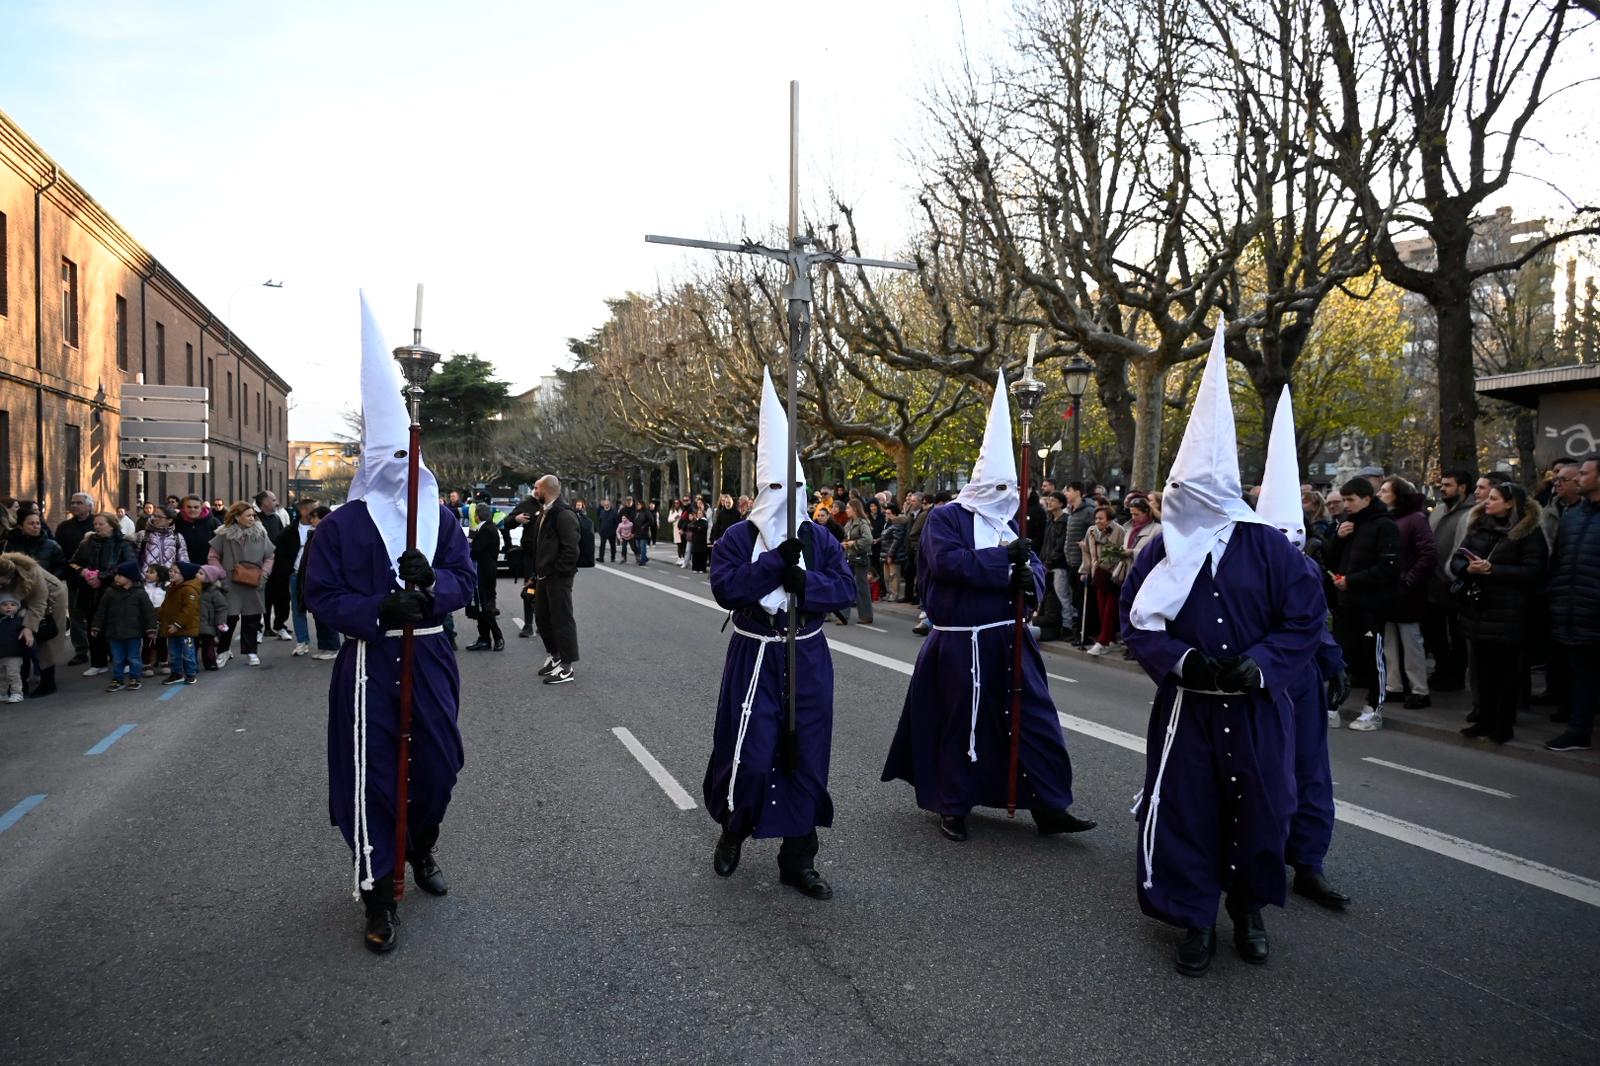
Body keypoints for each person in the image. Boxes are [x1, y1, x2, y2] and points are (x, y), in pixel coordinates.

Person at [1120, 330, 1324, 977]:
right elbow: (1137, 620)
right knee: (1188, 810)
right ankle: (1193, 916)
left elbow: (1305, 617)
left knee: (1262, 807)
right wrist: (1182, 662)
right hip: (1190, 710)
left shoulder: (1269, 550)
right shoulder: (1159, 550)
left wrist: (1260, 662)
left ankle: (1249, 908)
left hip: (1257, 708)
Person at [303, 297, 476, 954]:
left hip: (430, 658)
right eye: (391, 459)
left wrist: (431, 592)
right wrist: (378, 610)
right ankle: (378, 892)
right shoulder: (343, 526)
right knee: (371, 773)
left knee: (438, 767)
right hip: (371, 663)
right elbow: (319, 593)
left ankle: (422, 847)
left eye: (411, 460)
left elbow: (465, 579)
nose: (403, 472)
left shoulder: (441, 520)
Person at [882, 373, 1096, 844]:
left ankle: (1049, 803)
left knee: (1035, 720)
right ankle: (953, 804)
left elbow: (1035, 564)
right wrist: (1006, 565)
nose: (1004, 494)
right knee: (963, 721)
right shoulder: (946, 518)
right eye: (996, 485)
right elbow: (949, 563)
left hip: (1010, 639)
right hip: (961, 642)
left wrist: (1029, 579)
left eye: (1010, 487)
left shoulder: (1009, 523)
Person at [704, 371, 855, 900]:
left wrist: (804, 581)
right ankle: (734, 829)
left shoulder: (820, 537)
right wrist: (772, 565)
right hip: (755, 654)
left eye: (791, 490)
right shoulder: (736, 537)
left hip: (807, 656)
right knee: (751, 751)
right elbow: (725, 587)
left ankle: (799, 858)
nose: (783, 499)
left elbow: (845, 589)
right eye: (774, 490)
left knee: (805, 755)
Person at [1254, 389, 1350, 910]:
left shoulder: (1309, 567)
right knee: (1263, 776)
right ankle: (1255, 860)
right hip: (1262, 684)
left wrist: (1333, 662)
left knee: (1311, 774)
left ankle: (1309, 862)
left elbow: (1316, 623)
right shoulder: (1241, 567)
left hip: (1304, 685)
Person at [1448, 481, 1548, 744]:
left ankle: (1503, 725)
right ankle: (1484, 720)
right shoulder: (1479, 526)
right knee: (1483, 672)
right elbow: (1457, 558)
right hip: (1478, 609)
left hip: (1509, 613)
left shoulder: (1528, 533)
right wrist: (1468, 569)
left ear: (1510, 503)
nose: (1487, 502)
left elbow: (1534, 570)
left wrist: (1493, 570)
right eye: (1488, 497)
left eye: (1493, 498)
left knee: (1506, 674)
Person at [1324, 478, 1399, 731]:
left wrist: (1352, 581)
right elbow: (1331, 559)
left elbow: (1388, 567)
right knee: (1340, 654)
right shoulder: (1347, 525)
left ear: (1367, 499)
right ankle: (1332, 705)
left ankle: (1373, 707)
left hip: (1371, 604)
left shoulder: (1385, 526)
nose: (1346, 505)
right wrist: (1338, 538)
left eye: (1350, 500)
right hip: (1345, 603)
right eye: (1344, 500)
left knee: (1371, 657)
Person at [1545, 455, 1599, 752]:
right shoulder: (1572, 517)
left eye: (1585, 474)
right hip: (1573, 609)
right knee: (1581, 675)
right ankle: (1578, 730)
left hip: (1592, 607)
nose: (1579, 479)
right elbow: (1560, 561)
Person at [1378, 476, 1437, 709]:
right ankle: (1394, 686)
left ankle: (1419, 689)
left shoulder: (1415, 519)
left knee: (1411, 640)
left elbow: (1428, 554)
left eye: (1385, 490)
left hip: (1407, 591)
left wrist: (1409, 581)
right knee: (1389, 640)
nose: (1380, 494)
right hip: (1390, 589)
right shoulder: (1389, 518)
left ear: (1397, 495)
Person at [203, 502, 274, 668]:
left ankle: (251, 651)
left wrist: (264, 574)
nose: (252, 518)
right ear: (236, 517)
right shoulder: (224, 535)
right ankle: (223, 650)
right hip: (230, 583)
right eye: (248, 515)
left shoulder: (260, 533)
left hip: (254, 582)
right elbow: (212, 556)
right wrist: (221, 575)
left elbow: (270, 556)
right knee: (228, 619)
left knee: (252, 618)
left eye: (253, 515)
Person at [1424, 469, 1475, 693]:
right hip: (1433, 584)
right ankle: (1441, 670)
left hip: (1455, 584)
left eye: (1448, 485)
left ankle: (1455, 675)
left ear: (1462, 487)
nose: (1442, 488)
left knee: (1457, 634)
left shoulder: (1472, 512)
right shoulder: (1438, 510)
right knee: (1435, 633)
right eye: (1442, 485)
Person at [69, 513, 136, 676]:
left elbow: (129, 564)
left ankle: (124, 660)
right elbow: (72, 562)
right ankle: (98, 662)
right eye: (95, 524)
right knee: (94, 626)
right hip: (90, 591)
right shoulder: (87, 542)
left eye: (101, 524)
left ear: (112, 525)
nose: (97, 527)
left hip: (114, 590)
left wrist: (102, 576)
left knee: (117, 627)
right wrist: (83, 572)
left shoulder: (123, 543)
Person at [529, 475, 580, 684]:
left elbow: (571, 549)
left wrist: (558, 571)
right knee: (542, 618)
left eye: (536, 488)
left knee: (562, 620)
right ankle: (555, 656)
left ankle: (567, 667)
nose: (534, 491)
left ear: (545, 489)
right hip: (544, 575)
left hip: (558, 577)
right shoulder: (546, 511)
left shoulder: (563, 514)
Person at [0, 552, 71, 698]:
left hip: (51, 599)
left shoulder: (30, 570)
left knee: (45, 640)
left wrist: (29, 627)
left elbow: (38, 602)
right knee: (15, 636)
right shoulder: (5, 577)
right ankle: (20, 683)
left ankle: (48, 682)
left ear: (9, 575)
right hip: (21, 600)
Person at [91, 561, 157, 692]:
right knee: (117, 658)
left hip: (133, 633)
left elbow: (148, 612)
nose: (116, 578)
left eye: (119, 575)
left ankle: (134, 678)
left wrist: (151, 628)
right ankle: (118, 679)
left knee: (133, 657)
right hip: (114, 632)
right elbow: (101, 611)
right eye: (116, 575)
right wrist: (96, 626)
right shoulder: (110, 592)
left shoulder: (140, 593)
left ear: (130, 578)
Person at [53, 493, 96, 664]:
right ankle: (81, 650)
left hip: (97, 577)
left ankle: (104, 649)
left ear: (89, 506)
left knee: (99, 614)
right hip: (74, 578)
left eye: (79, 503)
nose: (75, 506)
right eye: (73, 503)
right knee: (76, 615)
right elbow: (58, 551)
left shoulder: (98, 523)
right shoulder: (64, 527)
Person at [1079, 504, 1128, 656]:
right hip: (1097, 572)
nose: (1097, 521)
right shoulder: (1091, 530)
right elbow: (1087, 551)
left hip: (1113, 574)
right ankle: (1110, 638)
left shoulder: (1119, 530)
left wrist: (1113, 567)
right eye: (1096, 518)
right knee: (1101, 608)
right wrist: (1085, 570)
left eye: (1101, 518)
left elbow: (1121, 550)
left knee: (1110, 609)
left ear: (1109, 519)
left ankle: (1103, 641)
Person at [255, 491, 294, 641]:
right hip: (261, 565)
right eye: (273, 499)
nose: (276, 502)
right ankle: (260, 628)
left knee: (282, 598)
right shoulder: (255, 519)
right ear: (264, 502)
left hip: (278, 566)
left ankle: (280, 625)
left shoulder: (276, 518)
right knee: (263, 598)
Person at [1061, 482, 1095, 645]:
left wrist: (1085, 545)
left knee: (1082, 601)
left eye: (1068, 490)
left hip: (1082, 564)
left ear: (1078, 492)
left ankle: (1084, 633)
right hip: (1070, 561)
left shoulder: (1088, 511)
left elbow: (1093, 535)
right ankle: (1075, 630)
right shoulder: (1071, 512)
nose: (1066, 493)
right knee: (1075, 599)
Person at [466, 511, 505, 652]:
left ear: (477, 516)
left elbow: (475, 550)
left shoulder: (487, 529)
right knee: (479, 607)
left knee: (485, 606)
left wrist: (469, 544)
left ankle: (498, 637)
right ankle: (484, 639)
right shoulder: (487, 528)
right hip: (483, 571)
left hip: (484, 572)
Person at [158, 561, 202, 685]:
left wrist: (177, 624)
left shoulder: (189, 590)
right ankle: (176, 673)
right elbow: (165, 605)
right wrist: (159, 617)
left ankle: (190, 674)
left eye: (174, 571)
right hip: (171, 627)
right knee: (174, 653)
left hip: (185, 628)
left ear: (184, 575)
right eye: (170, 570)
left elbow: (189, 610)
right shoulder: (171, 588)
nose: (170, 573)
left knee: (188, 652)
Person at [834, 498, 875, 625]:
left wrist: (854, 543)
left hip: (860, 558)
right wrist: (845, 544)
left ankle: (866, 615)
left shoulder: (862, 523)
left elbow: (868, 539)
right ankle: (843, 615)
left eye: (848, 508)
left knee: (862, 587)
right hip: (850, 557)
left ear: (855, 509)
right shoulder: (849, 523)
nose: (846, 510)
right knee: (846, 584)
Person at [4, 511, 66, 577]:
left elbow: (61, 567)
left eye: (38, 523)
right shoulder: (11, 544)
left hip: (45, 584)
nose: (36, 526)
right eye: (31, 523)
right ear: (20, 526)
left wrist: (51, 579)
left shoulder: (52, 545)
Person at [173, 495, 223, 570]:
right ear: (184, 508)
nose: (192, 509)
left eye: (196, 507)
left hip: (208, 569)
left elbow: (222, 544)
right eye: (189, 507)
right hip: (184, 569)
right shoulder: (177, 521)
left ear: (201, 508)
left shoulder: (213, 522)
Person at [135, 507, 189, 573]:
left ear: (170, 520)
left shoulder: (177, 537)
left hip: (169, 580)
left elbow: (183, 561)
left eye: (159, 517)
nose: (155, 519)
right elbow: (134, 559)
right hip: (146, 579)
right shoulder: (143, 535)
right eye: (154, 516)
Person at [0, 594, 26, 703]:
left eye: (12, 604)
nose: (8, 607)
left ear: (18, 607)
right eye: (4, 605)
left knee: (13, 675)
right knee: (1, 676)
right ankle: (3, 694)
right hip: (1, 654)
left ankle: (17, 693)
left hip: (14, 654)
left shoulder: (19, 621)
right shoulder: (1, 621)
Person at [687, 500, 711, 574]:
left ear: (703, 514)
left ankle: (702, 568)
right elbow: (691, 527)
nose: (699, 514)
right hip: (695, 540)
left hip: (702, 541)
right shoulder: (695, 521)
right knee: (695, 554)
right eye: (698, 513)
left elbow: (702, 528)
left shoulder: (705, 522)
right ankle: (695, 568)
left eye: (700, 513)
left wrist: (696, 528)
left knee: (702, 555)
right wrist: (696, 528)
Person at [596, 499, 619, 563]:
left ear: (610, 505)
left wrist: (615, 531)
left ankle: (613, 557)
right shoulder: (602, 511)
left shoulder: (614, 512)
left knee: (612, 546)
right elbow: (600, 521)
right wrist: (599, 530)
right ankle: (601, 558)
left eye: (607, 504)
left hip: (612, 532)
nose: (606, 505)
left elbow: (617, 522)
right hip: (603, 531)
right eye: (605, 504)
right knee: (602, 546)